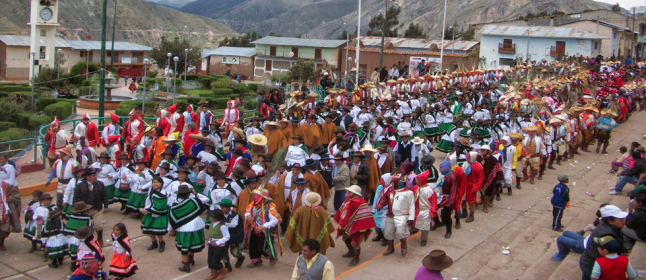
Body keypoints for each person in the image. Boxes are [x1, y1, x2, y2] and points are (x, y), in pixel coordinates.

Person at [579, 205, 630, 280]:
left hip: (589, 260)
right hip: (591, 263)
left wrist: (624, 250)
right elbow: (606, 252)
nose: (624, 220)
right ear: (610, 221)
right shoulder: (606, 234)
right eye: (620, 218)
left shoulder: (610, 227)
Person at [168, 184, 208, 273]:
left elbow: (171, 219)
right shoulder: (194, 201)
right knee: (192, 244)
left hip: (183, 228)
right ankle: (191, 259)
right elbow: (207, 199)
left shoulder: (174, 206)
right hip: (196, 226)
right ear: (188, 194)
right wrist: (196, 193)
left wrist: (169, 229)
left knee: (184, 247)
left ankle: (186, 265)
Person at [333, 185, 375, 266]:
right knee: (345, 238)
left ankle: (356, 258)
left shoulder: (361, 203)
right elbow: (342, 211)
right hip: (349, 226)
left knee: (355, 243)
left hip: (359, 228)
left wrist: (359, 228)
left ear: (355, 193)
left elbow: (364, 218)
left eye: (350, 192)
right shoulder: (348, 200)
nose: (347, 193)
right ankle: (351, 252)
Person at [377, 174, 415, 256]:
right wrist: (380, 205)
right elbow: (384, 198)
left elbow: (412, 206)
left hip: (402, 215)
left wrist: (411, 218)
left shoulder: (408, 192)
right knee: (388, 232)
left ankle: (403, 245)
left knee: (401, 232)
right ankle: (390, 248)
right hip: (390, 215)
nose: (391, 184)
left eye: (393, 182)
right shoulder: (390, 190)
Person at [244, 186, 281, 268]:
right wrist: (248, 216)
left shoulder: (271, 206)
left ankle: (272, 257)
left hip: (265, 231)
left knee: (262, 248)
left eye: (257, 196)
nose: (255, 197)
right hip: (255, 228)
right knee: (252, 246)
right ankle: (256, 261)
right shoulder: (253, 204)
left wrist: (263, 226)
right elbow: (247, 211)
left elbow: (275, 220)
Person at [73, 168, 109, 246]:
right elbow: (75, 198)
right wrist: (77, 208)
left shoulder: (100, 184)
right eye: (93, 175)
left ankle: (100, 239)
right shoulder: (80, 186)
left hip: (97, 208)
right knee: (85, 227)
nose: (95, 177)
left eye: (95, 175)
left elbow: (104, 196)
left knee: (98, 225)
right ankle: (87, 240)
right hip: (85, 210)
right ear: (88, 177)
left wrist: (106, 206)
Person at [139, 176, 168, 253]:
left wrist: (148, 210)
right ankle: (154, 242)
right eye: (154, 182)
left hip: (157, 213)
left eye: (157, 182)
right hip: (150, 211)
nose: (155, 184)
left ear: (161, 184)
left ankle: (161, 242)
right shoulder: (152, 190)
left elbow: (160, 206)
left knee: (157, 230)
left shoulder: (162, 193)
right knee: (150, 229)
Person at [64, 201, 93, 271]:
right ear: (84, 210)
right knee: (82, 250)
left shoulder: (72, 217)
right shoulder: (87, 218)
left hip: (73, 238)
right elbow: (90, 228)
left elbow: (68, 227)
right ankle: (81, 263)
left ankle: (73, 263)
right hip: (82, 238)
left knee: (73, 250)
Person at [218, 198, 245, 270]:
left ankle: (240, 257)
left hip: (234, 236)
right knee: (223, 251)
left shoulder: (235, 215)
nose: (221, 209)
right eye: (221, 207)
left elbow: (233, 225)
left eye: (223, 207)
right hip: (224, 236)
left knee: (234, 252)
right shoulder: (220, 215)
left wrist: (223, 224)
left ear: (228, 208)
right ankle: (227, 265)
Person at [205, 209, 229, 280]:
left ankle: (223, 270)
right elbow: (212, 235)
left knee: (215, 261)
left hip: (219, 247)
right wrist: (210, 241)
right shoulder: (212, 224)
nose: (210, 217)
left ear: (215, 219)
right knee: (210, 260)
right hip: (212, 245)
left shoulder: (222, 226)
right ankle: (214, 273)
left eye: (211, 216)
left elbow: (227, 236)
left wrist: (218, 242)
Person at [435, 160, 457, 239]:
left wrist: (450, 202)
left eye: (440, 168)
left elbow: (453, 191)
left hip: (447, 198)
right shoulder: (442, 175)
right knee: (433, 210)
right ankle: (437, 223)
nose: (439, 169)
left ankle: (449, 231)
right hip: (440, 196)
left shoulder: (452, 177)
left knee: (446, 215)